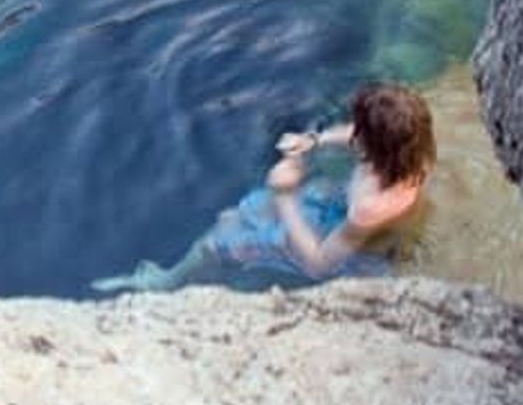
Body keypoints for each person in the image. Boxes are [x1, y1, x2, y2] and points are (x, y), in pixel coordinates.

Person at [92, 82, 436, 294]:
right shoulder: (413, 153)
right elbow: (354, 134)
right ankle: (235, 232)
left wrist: (286, 197)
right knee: (244, 211)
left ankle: (163, 284)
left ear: (376, 146)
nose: (353, 133)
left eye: (362, 131)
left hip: (351, 255)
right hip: (342, 215)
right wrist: (312, 140)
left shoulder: (371, 207)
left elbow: (320, 264)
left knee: (219, 242)